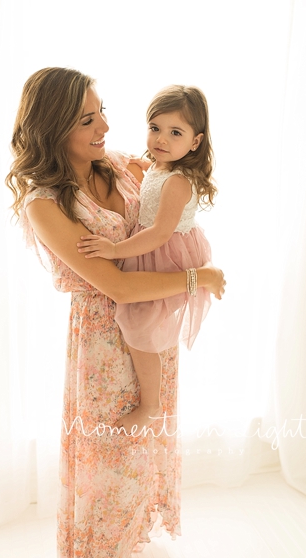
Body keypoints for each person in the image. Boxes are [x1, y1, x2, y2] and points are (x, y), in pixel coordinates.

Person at [5, 67, 226, 556]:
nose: (104, 126)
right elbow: (118, 288)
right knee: (109, 457)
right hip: (104, 343)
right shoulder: (44, 204)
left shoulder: (123, 165)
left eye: (102, 111)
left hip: (152, 328)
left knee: (144, 449)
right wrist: (199, 279)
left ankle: (131, 541)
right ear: (53, 128)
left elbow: (173, 199)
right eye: (87, 119)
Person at [76, 85, 217, 435]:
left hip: (165, 253)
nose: (161, 140)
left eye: (176, 133)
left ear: (195, 142)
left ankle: (151, 405)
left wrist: (113, 251)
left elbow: (157, 234)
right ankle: (152, 401)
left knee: (139, 326)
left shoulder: (178, 183)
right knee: (141, 324)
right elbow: (147, 179)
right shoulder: (158, 166)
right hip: (152, 248)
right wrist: (146, 165)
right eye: (155, 128)